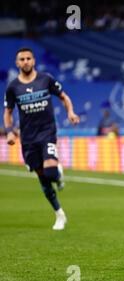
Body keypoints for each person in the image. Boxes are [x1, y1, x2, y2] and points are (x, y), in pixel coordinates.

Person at [3, 47, 80, 230]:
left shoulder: (46, 79)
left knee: (51, 173)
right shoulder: (13, 87)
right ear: (17, 63)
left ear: (34, 60)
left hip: (47, 132)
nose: (25, 62)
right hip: (28, 138)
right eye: (21, 59)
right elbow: (8, 112)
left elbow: (63, 96)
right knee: (43, 179)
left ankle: (58, 174)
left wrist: (70, 111)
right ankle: (59, 214)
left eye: (28, 58)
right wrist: (10, 131)